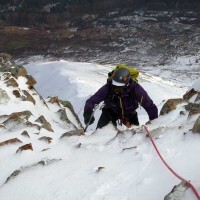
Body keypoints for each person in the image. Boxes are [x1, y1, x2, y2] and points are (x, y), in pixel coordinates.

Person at [83, 67, 158, 129]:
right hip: (111, 111)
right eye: (115, 86)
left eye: (119, 87)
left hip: (129, 113)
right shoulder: (108, 87)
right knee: (100, 132)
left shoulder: (136, 89)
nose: (116, 90)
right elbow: (92, 101)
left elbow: (149, 106)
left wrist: (154, 123)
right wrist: (88, 113)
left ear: (127, 84)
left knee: (134, 136)